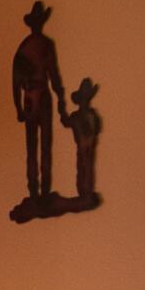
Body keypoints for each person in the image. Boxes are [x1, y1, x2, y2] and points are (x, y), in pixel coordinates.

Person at [11, 1, 67, 220]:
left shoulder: (28, 47)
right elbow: (51, 76)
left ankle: (39, 192)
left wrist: (18, 105)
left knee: (38, 146)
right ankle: (38, 192)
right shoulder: (40, 46)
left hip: (36, 98)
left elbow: (17, 82)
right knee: (39, 146)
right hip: (39, 98)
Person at [65, 76, 102, 211]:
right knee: (83, 167)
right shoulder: (81, 115)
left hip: (88, 145)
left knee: (86, 167)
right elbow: (67, 122)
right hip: (83, 145)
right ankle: (84, 192)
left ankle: (86, 192)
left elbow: (97, 128)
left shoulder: (89, 115)